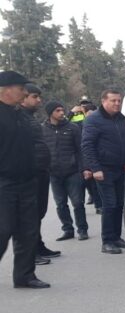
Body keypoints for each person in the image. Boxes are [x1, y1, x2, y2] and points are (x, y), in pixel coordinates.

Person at [0, 71, 49, 289]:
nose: (24, 92)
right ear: (6, 90)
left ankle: (24, 276)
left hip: (27, 181)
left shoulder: (21, 115)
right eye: (21, 89)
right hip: (4, 183)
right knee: (3, 230)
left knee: (28, 231)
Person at [81, 89, 125, 254]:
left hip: (119, 167)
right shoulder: (93, 120)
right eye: (113, 100)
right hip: (103, 169)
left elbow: (123, 141)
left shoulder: (121, 118)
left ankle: (116, 238)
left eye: (119, 100)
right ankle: (107, 241)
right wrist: (95, 168)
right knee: (109, 205)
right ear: (104, 101)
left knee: (119, 204)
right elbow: (87, 145)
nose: (117, 103)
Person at [20, 84, 61, 264]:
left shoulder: (29, 117)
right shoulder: (17, 118)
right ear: (23, 97)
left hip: (41, 172)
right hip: (29, 174)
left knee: (38, 213)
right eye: (35, 97)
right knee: (28, 216)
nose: (39, 100)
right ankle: (30, 254)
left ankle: (38, 245)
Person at [43, 101, 89, 241]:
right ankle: (68, 230)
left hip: (72, 172)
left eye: (62, 110)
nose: (62, 113)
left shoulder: (72, 128)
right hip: (54, 174)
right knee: (61, 204)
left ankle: (82, 230)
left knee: (78, 203)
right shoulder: (42, 129)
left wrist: (85, 168)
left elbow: (80, 150)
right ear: (50, 113)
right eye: (58, 110)